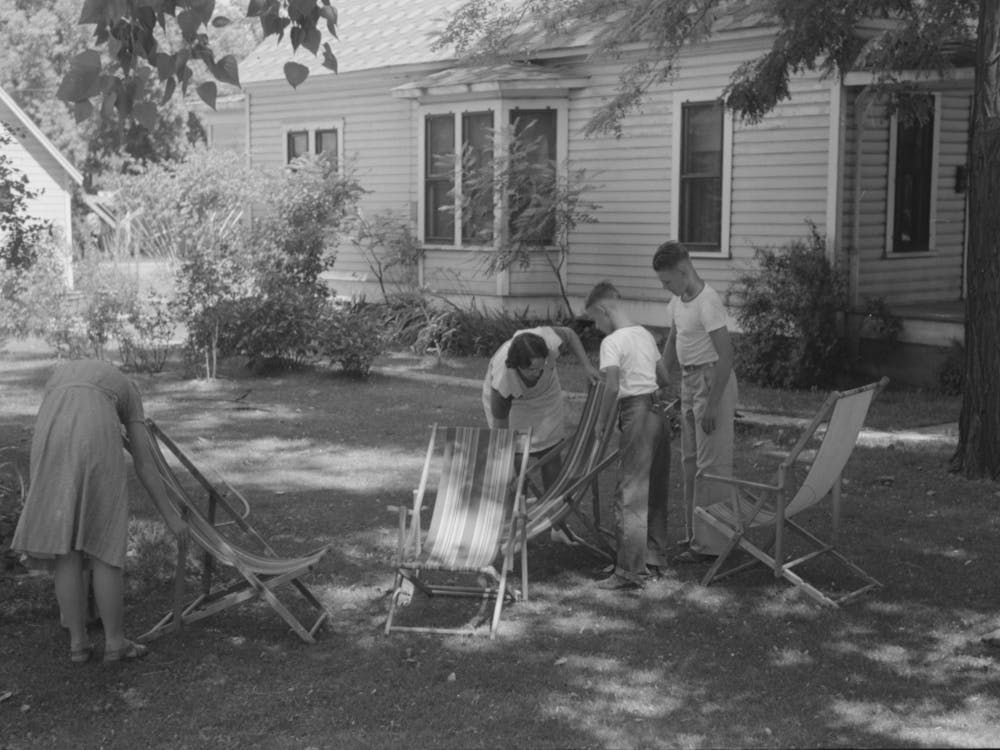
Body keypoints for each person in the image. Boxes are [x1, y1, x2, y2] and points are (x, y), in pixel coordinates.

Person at [11, 359, 187, 664]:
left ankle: (77, 644)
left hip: (48, 433)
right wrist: (172, 517)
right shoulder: (128, 388)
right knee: (104, 544)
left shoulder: (58, 378)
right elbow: (145, 464)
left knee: (64, 544)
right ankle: (115, 642)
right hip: (95, 438)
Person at [653, 240, 737, 563]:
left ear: (684, 270)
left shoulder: (708, 301)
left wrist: (713, 404)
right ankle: (695, 537)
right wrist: (659, 376)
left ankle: (713, 545)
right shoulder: (678, 302)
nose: (665, 287)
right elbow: (675, 341)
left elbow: (727, 356)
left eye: (667, 281)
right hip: (689, 382)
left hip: (712, 381)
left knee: (711, 466)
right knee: (691, 464)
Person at [583, 281, 671, 590]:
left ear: (604, 310)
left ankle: (629, 571)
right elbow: (665, 377)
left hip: (635, 414)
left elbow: (611, 386)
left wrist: (601, 423)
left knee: (629, 493)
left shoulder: (613, 342)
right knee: (655, 490)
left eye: (595, 319)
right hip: (658, 415)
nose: (596, 326)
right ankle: (653, 559)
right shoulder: (645, 334)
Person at [482, 325, 599, 491]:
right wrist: (507, 471)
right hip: (516, 405)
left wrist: (587, 366)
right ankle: (517, 506)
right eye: (531, 370)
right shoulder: (502, 384)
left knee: (551, 451)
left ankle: (553, 505)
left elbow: (570, 335)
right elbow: (501, 434)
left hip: (547, 396)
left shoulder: (549, 340)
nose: (537, 373)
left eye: (540, 367)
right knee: (516, 454)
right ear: (518, 366)